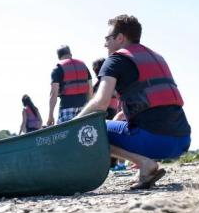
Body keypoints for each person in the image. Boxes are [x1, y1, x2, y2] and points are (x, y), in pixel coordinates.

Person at [76, 15, 191, 189]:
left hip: (155, 141)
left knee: (90, 129)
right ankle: (145, 165)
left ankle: (144, 163)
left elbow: (101, 103)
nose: (105, 44)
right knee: (122, 122)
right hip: (182, 141)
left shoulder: (115, 60)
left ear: (120, 38)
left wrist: (73, 125)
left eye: (107, 38)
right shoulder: (157, 57)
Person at [47, 45, 93, 125]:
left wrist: (50, 115)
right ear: (70, 54)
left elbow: (53, 94)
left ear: (59, 56)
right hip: (84, 107)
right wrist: (90, 107)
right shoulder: (83, 66)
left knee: (68, 135)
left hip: (67, 107)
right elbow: (90, 89)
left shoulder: (57, 69)